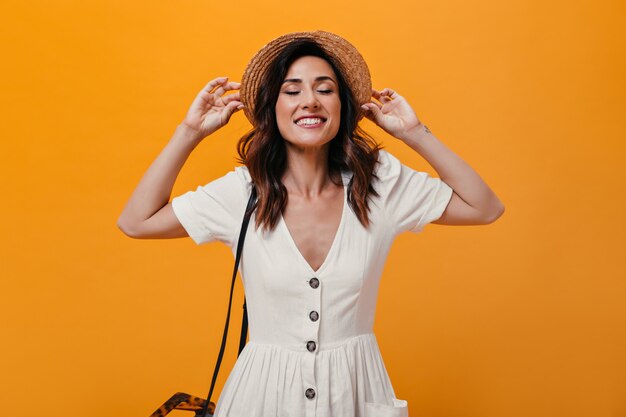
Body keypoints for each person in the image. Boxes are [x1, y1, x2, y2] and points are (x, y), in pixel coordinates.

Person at [117, 31, 504, 417]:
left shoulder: (381, 184)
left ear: (343, 106)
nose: (310, 101)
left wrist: (415, 134)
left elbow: (484, 207)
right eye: (292, 90)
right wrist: (189, 133)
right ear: (272, 107)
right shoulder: (242, 193)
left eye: (325, 89)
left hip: (356, 393)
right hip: (260, 397)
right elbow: (137, 220)